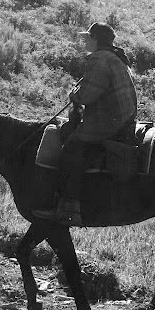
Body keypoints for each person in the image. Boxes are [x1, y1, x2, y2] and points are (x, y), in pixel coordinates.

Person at [35, 21, 138, 224]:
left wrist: (74, 94)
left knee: (71, 150)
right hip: (122, 117)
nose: (84, 42)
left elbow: (88, 95)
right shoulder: (115, 57)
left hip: (109, 121)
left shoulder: (100, 59)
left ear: (95, 39)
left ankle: (69, 207)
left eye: (87, 38)